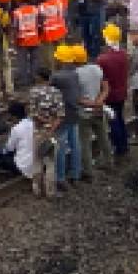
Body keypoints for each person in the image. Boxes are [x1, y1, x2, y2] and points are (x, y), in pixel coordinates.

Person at [25, 68, 64, 197]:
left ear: (39, 78)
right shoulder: (56, 92)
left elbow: (32, 113)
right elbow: (60, 115)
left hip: (38, 130)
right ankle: (50, 191)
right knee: (51, 162)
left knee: (37, 159)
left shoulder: (33, 92)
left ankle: (37, 189)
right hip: (52, 131)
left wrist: (43, 121)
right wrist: (51, 128)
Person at [50, 46, 86, 187]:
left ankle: (60, 178)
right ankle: (75, 174)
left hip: (62, 115)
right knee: (75, 144)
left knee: (60, 146)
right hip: (74, 112)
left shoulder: (57, 76)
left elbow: (50, 91)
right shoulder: (75, 73)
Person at [75, 43, 111, 174]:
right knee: (103, 137)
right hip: (99, 109)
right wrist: (99, 102)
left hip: (84, 113)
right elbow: (106, 87)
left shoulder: (75, 74)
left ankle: (88, 171)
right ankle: (109, 162)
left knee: (84, 142)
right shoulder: (97, 68)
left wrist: (90, 104)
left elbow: (76, 98)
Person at [95, 25, 130, 158]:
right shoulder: (123, 54)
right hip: (122, 92)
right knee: (120, 118)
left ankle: (119, 147)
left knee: (113, 122)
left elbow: (101, 79)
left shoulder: (102, 59)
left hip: (110, 95)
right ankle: (124, 144)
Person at [0, 101, 38, 185]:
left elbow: (9, 149)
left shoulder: (16, 128)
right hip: (35, 163)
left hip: (21, 166)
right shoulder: (34, 123)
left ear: (14, 116)